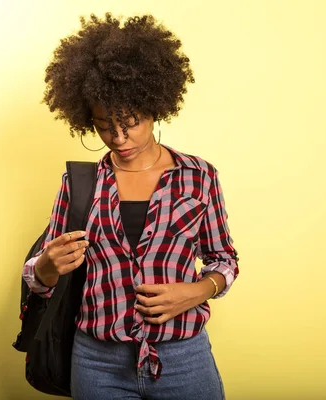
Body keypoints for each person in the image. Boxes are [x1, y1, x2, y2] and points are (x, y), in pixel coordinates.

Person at [22, 12, 240, 400]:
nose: (118, 137)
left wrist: (198, 290)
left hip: (183, 357)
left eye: (131, 121)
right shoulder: (80, 183)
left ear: (155, 106)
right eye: (104, 125)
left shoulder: (198, 176)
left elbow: (224, 259)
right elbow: (39, 279)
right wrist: (46, 265)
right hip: (96, 362)